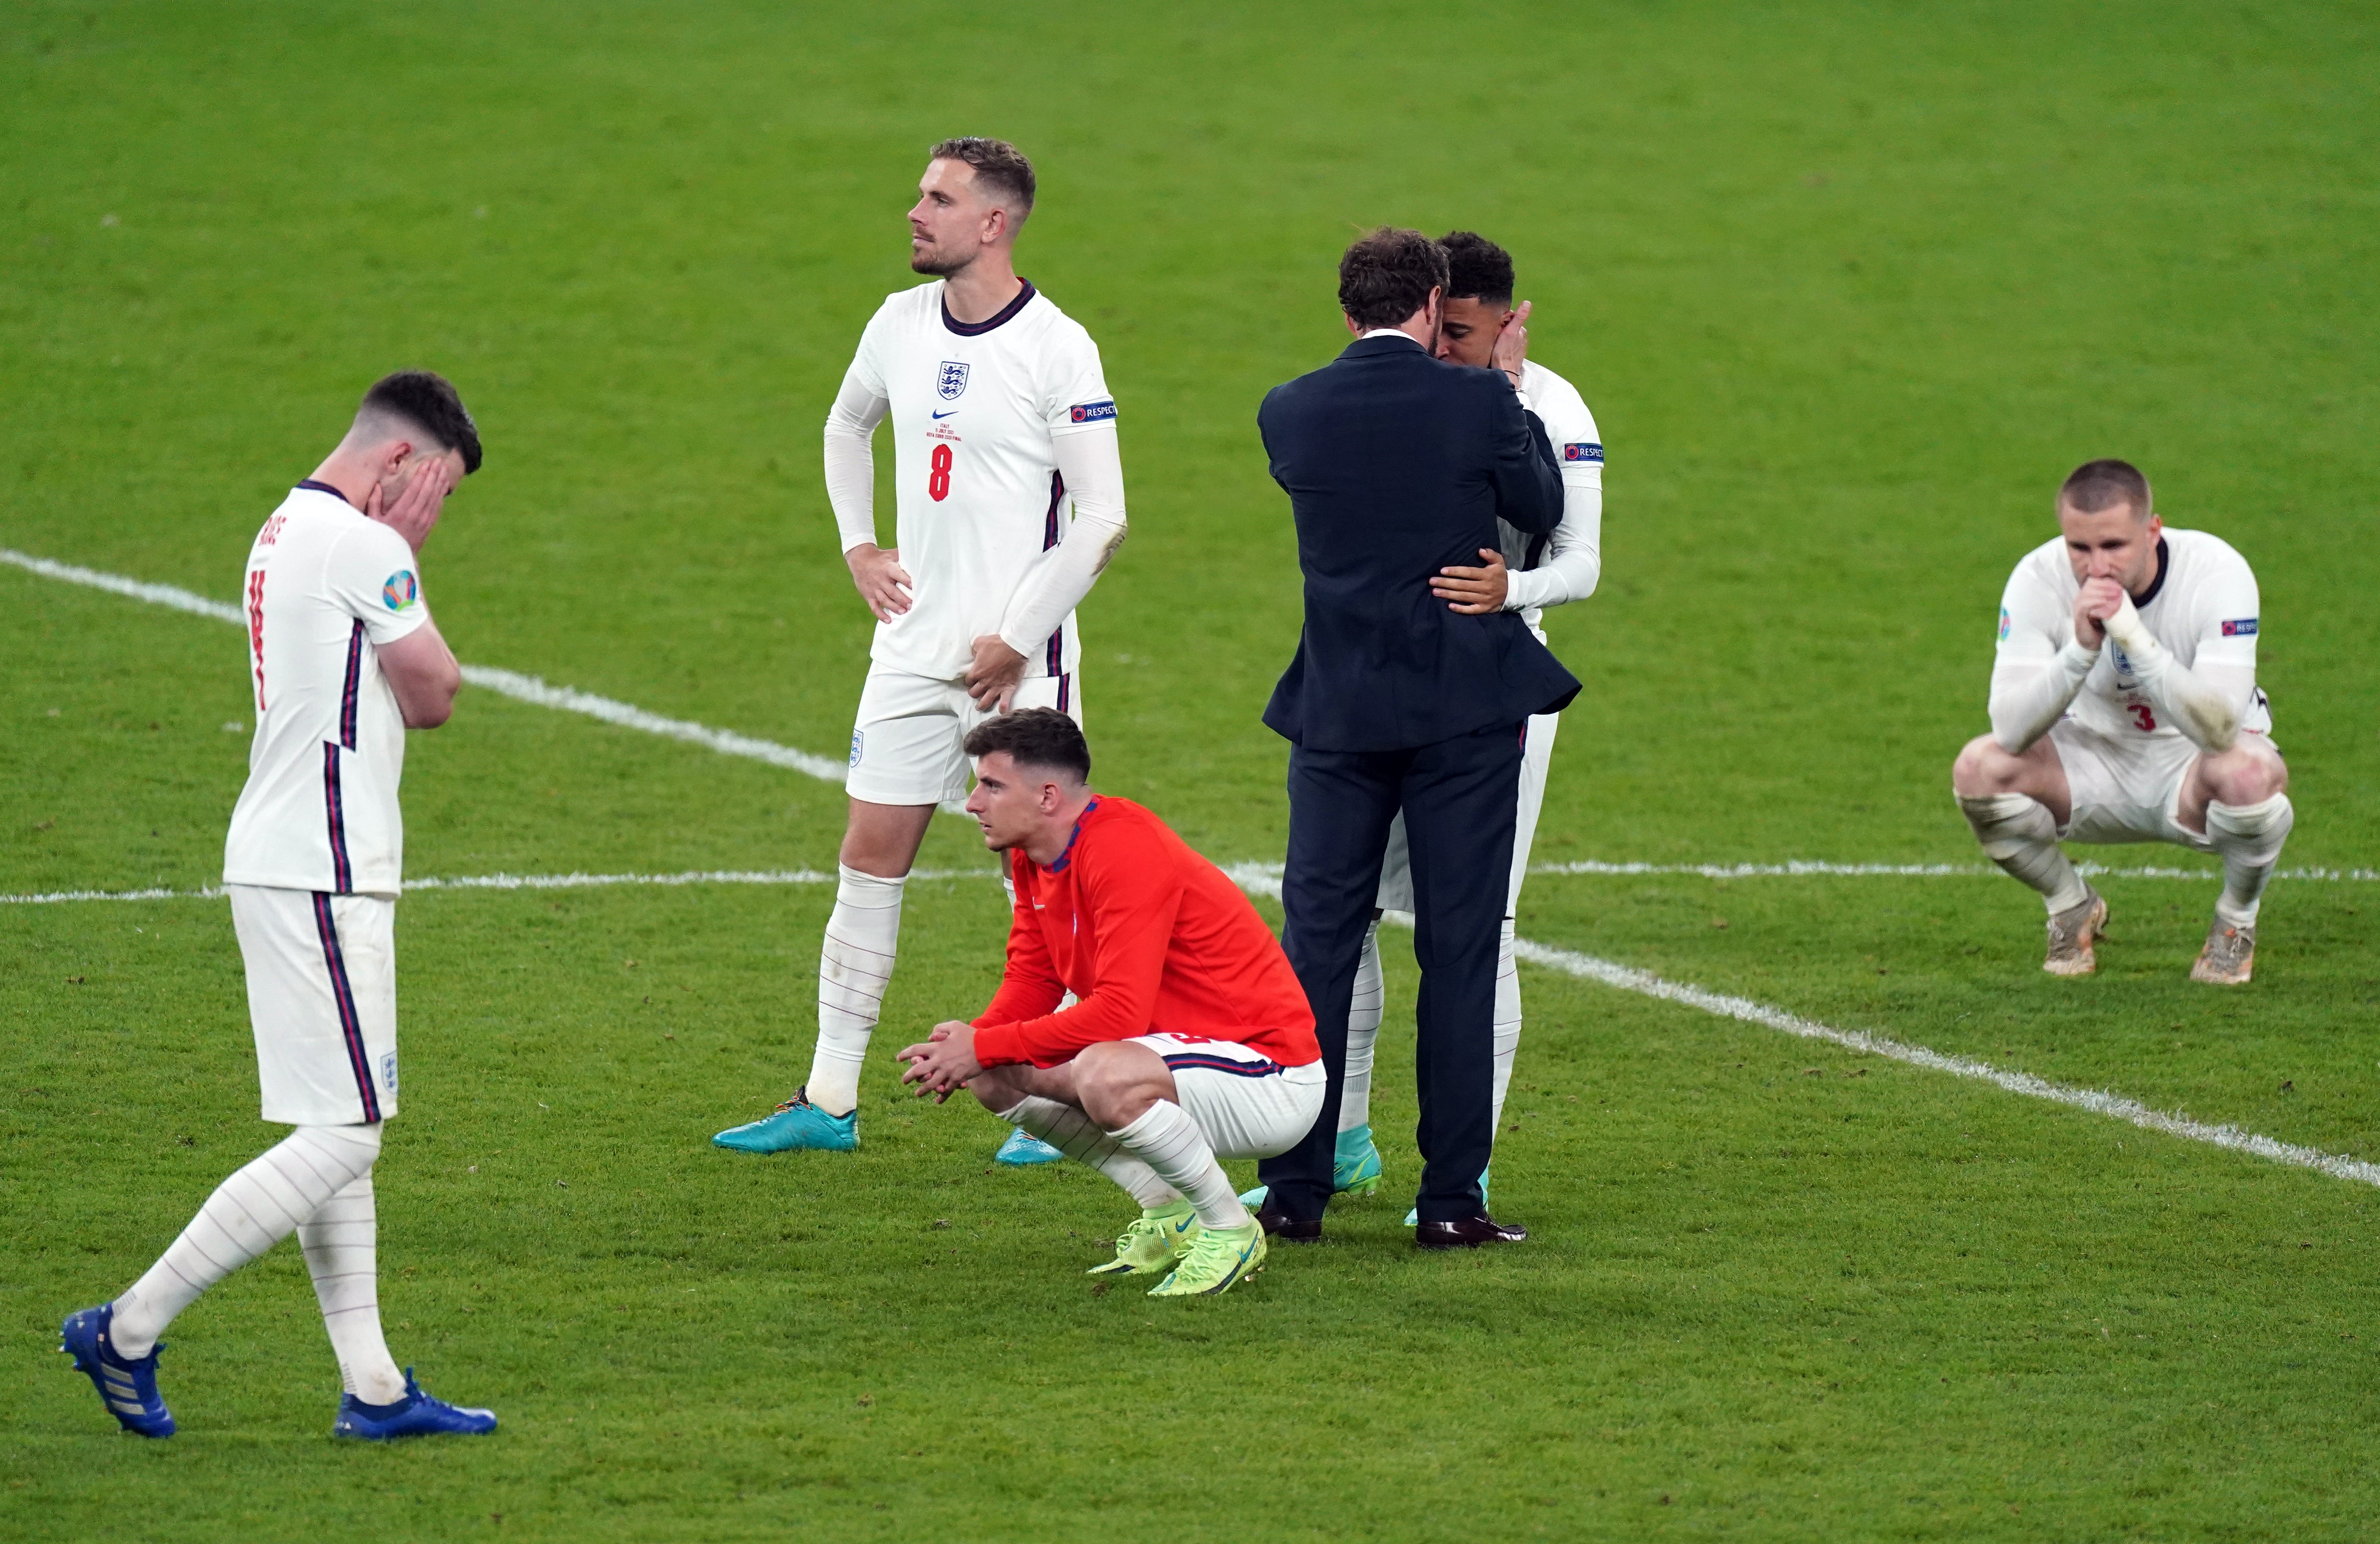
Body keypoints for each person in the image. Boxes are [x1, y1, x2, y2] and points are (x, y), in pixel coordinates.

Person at [60, 372, 497, 1440]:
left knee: (335, 1121)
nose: (434, 509)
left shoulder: (282, 523)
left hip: (283, 850)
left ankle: (375, 1387)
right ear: (401, 463)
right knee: (345, 1134)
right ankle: (126, 1325)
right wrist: (408, 561)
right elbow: (434, 693)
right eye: (439, 486)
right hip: (325, 861)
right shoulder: (365, 544)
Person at [713, 137, 1129, 1162]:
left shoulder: (1057, 347)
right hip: (906, 650)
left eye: (936, 199)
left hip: (1018, 665)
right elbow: (843, 426)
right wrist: (857, 542)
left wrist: (1014, 637)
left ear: (992, 223)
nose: (913, 212)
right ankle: (827, 1096)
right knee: (869, 854)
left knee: (1044, 876)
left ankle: (1061, 1093)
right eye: (918, 194)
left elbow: (1103, 518)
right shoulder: (898, 323)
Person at [1244, 231, 1604, 1223]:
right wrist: (1506, 394)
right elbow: (1538, 500)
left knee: (1317, 945)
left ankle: (1295, 1190)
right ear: (1433, 300)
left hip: (1337, 712)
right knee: (1460, 949)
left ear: (1346, 309)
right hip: (1462, 714)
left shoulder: (1290, 409)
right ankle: (1451, 1199)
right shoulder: (1482, 398)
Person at [896, 711, 1322, 1297]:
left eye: (991, 786)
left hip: (1270, 1075)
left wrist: (985, 1045)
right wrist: (971, 1049)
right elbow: (1033, 977)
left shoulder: (1123, 848)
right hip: (1174, 1064)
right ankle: (1166, 1210)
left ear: (1047, 795)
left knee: (1102, 1071)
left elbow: (1119, 1012)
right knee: (993, 1076)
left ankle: (1229, 1229)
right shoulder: (1032, 856)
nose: (973, 803)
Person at [1952, 459, 2291, 982]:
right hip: (2090, 758)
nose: (2095, 567)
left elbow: (2221, 732)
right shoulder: (2037, 578)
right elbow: (2011, 731)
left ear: (2152, 531)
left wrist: (2134, 637)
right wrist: (2081, 651)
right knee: (1979, 769)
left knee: (2249, 773)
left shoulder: (2217, 572)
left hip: (2191, 766)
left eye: (2113, 546)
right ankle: (2070, 906)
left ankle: (2236, 921)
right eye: (2079, 548)